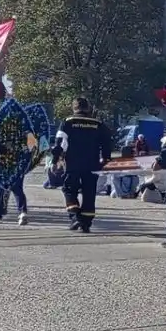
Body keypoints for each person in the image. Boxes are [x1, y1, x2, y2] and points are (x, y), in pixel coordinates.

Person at [56, 98, 109, 234]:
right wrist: (106, 159)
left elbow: (60, 142)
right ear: (88, 108)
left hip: (73, 163)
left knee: (69, 189)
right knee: (89, 192)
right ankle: (86, 223)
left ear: (74, 108)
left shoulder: (67, 122)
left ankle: (75, 217)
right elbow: (107, 143)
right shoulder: (98, 124)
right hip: (92, 164)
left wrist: (56, 158)